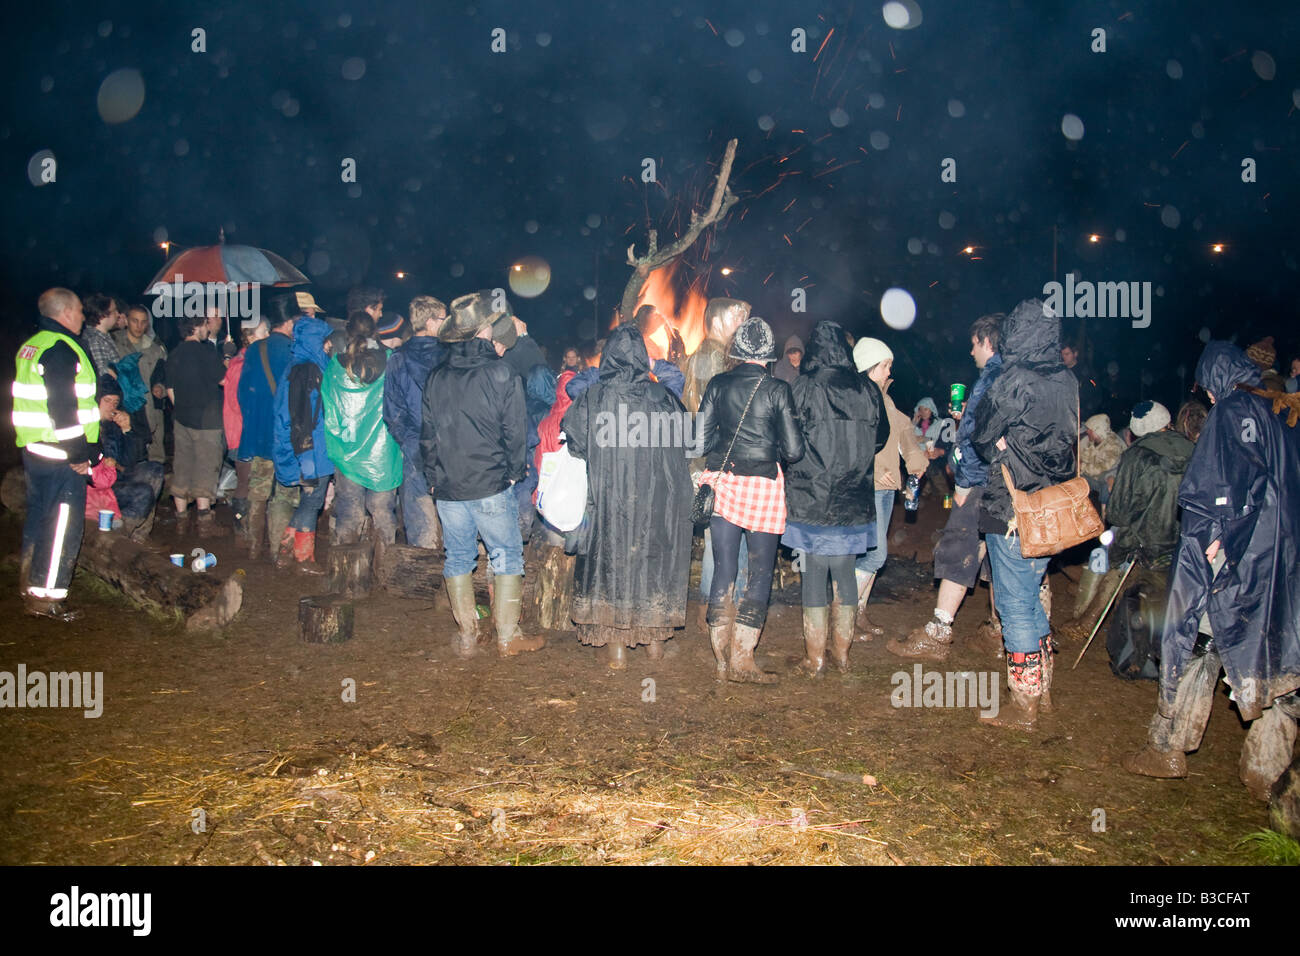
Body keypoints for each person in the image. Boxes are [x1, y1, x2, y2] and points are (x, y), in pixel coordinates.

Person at [1124, 342, 1300, 799]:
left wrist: (1216, 537)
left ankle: (1167, 747)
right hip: (1281, 560)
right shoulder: (1282, 412)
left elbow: (1218, 489)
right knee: (1278, 652)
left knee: (1198, 638)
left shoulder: (1234, 412)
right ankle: (1268, 772)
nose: (1208, 400)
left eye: (1207, 390)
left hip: (1234, 556)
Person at [557, 324, 694, 666]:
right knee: (649, 563)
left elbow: (573, 439)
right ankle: (653, 642)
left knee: (610, 562)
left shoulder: (593, 397)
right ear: (641, 359)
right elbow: (687, 444)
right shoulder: (662, 399)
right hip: (652, 499)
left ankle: (616, 648)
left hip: (607, 499)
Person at [971, 298, 1079, 731]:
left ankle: (1024, 704)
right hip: (1051, 507)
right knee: (1031, 598)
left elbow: (981, 438)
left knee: (1014, 606)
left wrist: (1000, 445)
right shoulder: (1068, 378)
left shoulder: (1013, 378)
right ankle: (1043, 688)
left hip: (1013, 507)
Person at [420, 290, 542, 658]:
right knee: (507, 556)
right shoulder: (501, 373)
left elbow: (427, 438)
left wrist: (434, 478)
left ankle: (469, 636)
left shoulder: (437, 376)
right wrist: (510, 475)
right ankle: (508, 637)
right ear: (486, 330)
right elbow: (515, 433)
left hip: (447, 488)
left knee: (457, 557)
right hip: (490, 483)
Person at [692, 316, 803, 680]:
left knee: (724, 569)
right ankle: (742, 660)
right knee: (759, 573)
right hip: (763, 486)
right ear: (768, 355)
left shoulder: (718, 384)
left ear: (737, 352)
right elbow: (794, 450)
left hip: (723, 482)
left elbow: (699, 442)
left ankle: (721, 659)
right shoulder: (777, 390)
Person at [891, 313, 1005, 660]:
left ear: (987, 342)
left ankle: (939, 634)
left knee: (958, 547)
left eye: (974, 344)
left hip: (982, 484)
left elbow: (972, 440)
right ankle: (1002, 632)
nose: (972, 352)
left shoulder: (992, 378)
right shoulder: (1021, 376)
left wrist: (963, 484)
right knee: (1001, 557)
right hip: (1009, 487)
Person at [782, 320, 879, 677]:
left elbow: (789, 442)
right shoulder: (867, 388)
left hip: (812, 498)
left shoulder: (804, 387)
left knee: (813, 574)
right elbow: (880, 438)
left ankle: (815, 658)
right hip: (853, 499)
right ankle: (841, 654)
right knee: (845, 573)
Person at [1078, 400, 1194, 679]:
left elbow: (1118, 509)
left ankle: (1134, 661)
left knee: (1138, 600)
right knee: (1174, 601)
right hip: (1184, 543)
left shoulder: (1137, 456)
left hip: (1145, 542)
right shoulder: (1193, 449)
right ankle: (1171, 660)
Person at [13, 289, 100, 621]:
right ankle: (47, 596)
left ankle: (30, 581)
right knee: (62, 522)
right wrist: (79, 452)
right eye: (79, 310)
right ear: (65, 312)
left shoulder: (33, 345)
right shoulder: (61, 348)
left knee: (39, 517)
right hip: (61, 453)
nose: (82, 316)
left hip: (36, 449)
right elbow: (63, 407)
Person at [851, 337, 928, 635]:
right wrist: (871, 472)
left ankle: (857, 613)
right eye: (885, 365)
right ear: (870, 366)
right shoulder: (859, 399)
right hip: (868, 489)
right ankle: (846, 613)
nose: (888, 371)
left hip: (886, 489)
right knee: (875, 555)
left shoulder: (886, 399)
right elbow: (850, 447)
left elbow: (904, 430)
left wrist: (917, 465)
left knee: (870, 554)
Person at [238, 293, 309, 558]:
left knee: (258, 492)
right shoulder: (295, 350)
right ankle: (278, 553)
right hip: (286, 437)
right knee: (284, 493)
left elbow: (243, 392)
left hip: (258, 435)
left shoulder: (256, 349)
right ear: (290, 323)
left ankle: (254, 547)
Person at [323, 312, 404, 546]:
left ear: (348, 333)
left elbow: (329, 408)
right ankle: (385, 567)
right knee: (382, 513)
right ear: (375, 332)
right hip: (383, 452)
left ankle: (346, 577)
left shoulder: (335, 366)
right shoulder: (391, 361)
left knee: (349, 512)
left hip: (346, 449)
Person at [272, 308, 336, 571]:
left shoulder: (299, 367)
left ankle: (285, 549)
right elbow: (301, 421)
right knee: (311, 502)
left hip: (308, 450)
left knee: (309, 501)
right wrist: (307, 462)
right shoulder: (307, 372)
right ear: (314, 343)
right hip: (311, 452)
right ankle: (303, 558)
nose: (330, 345)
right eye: (325, 341)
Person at [382, 295, 447, 549]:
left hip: (413, 443)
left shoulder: (397, 358)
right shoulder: (450, 356)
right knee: (453, 507)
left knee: (419, 507)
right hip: (449, 444)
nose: (446, 324)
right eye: (443, 319)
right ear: (430, 322)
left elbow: (392, 409)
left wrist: (408, 437)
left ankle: (422, 560)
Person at [166, 312, 228, 536]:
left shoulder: (174, 353)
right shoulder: (206, 352)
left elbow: (169, 389)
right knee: (206, 466)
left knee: (182, 465)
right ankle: (204, 522)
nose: (207, 329)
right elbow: (223, 379)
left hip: (182, 419)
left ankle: (181, 519)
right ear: (197, 327)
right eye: (205, 325)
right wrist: (227, 359)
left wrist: (183, 409)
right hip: (207, 421)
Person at [92, 374, 165, 540]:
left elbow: (133, 460)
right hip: (97, 487)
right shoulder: (87, 425)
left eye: (115, 403)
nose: (111, 406)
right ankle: (118, 537)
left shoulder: (113, 425)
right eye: (107, 401)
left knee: (154, 470)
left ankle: (137, 537)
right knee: (143, 492)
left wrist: (127, 430)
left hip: (118, 479)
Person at [223, 318, 267, 538]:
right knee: (245, 482)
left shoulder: (246, 361)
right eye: (263, 333)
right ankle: (242, 528)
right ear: (250, 336)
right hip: (242, 434)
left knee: (248, 481)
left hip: (245, 433)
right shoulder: (242, 365)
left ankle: (248, 528)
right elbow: (238, 404)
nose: (267, 337)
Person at [113, 304, 167, 463]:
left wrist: (160, 388)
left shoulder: (155, 349)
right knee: (130, 455)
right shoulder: (115, 344)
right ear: (127, 320)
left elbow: (164, 375)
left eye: (143, 322)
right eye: (135, 321)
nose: (139, 326)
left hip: (151, 409)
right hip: (127, 409)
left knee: (155, 456)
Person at [1079, 413, 1126, 506]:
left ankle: (1105, 517)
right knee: (1077, 480)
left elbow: (1102, 468)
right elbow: (1084, 459)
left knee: (1106, 486)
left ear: (1098, 431)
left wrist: (1082, 466)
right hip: (1095, 478)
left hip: (1109, 480)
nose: (1087, 431)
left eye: (1090, 429)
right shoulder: (1092, 441)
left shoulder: (1114, 445)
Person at [81, 294, 124, 379]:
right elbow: (103, 374)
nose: (118, 314)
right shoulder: (95, 340)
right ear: (103, 314)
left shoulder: (104, 337)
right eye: (114, 310)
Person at [1060, 340, 1103, 420]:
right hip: (1064, 417)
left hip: (1082, 418)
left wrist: (1084, 414)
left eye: (1067, 354)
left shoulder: (1085, 373)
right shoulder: (1059, 373)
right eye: (1062, 354)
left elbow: (1096, 396)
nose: (1063, 357)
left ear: (1075, 354)